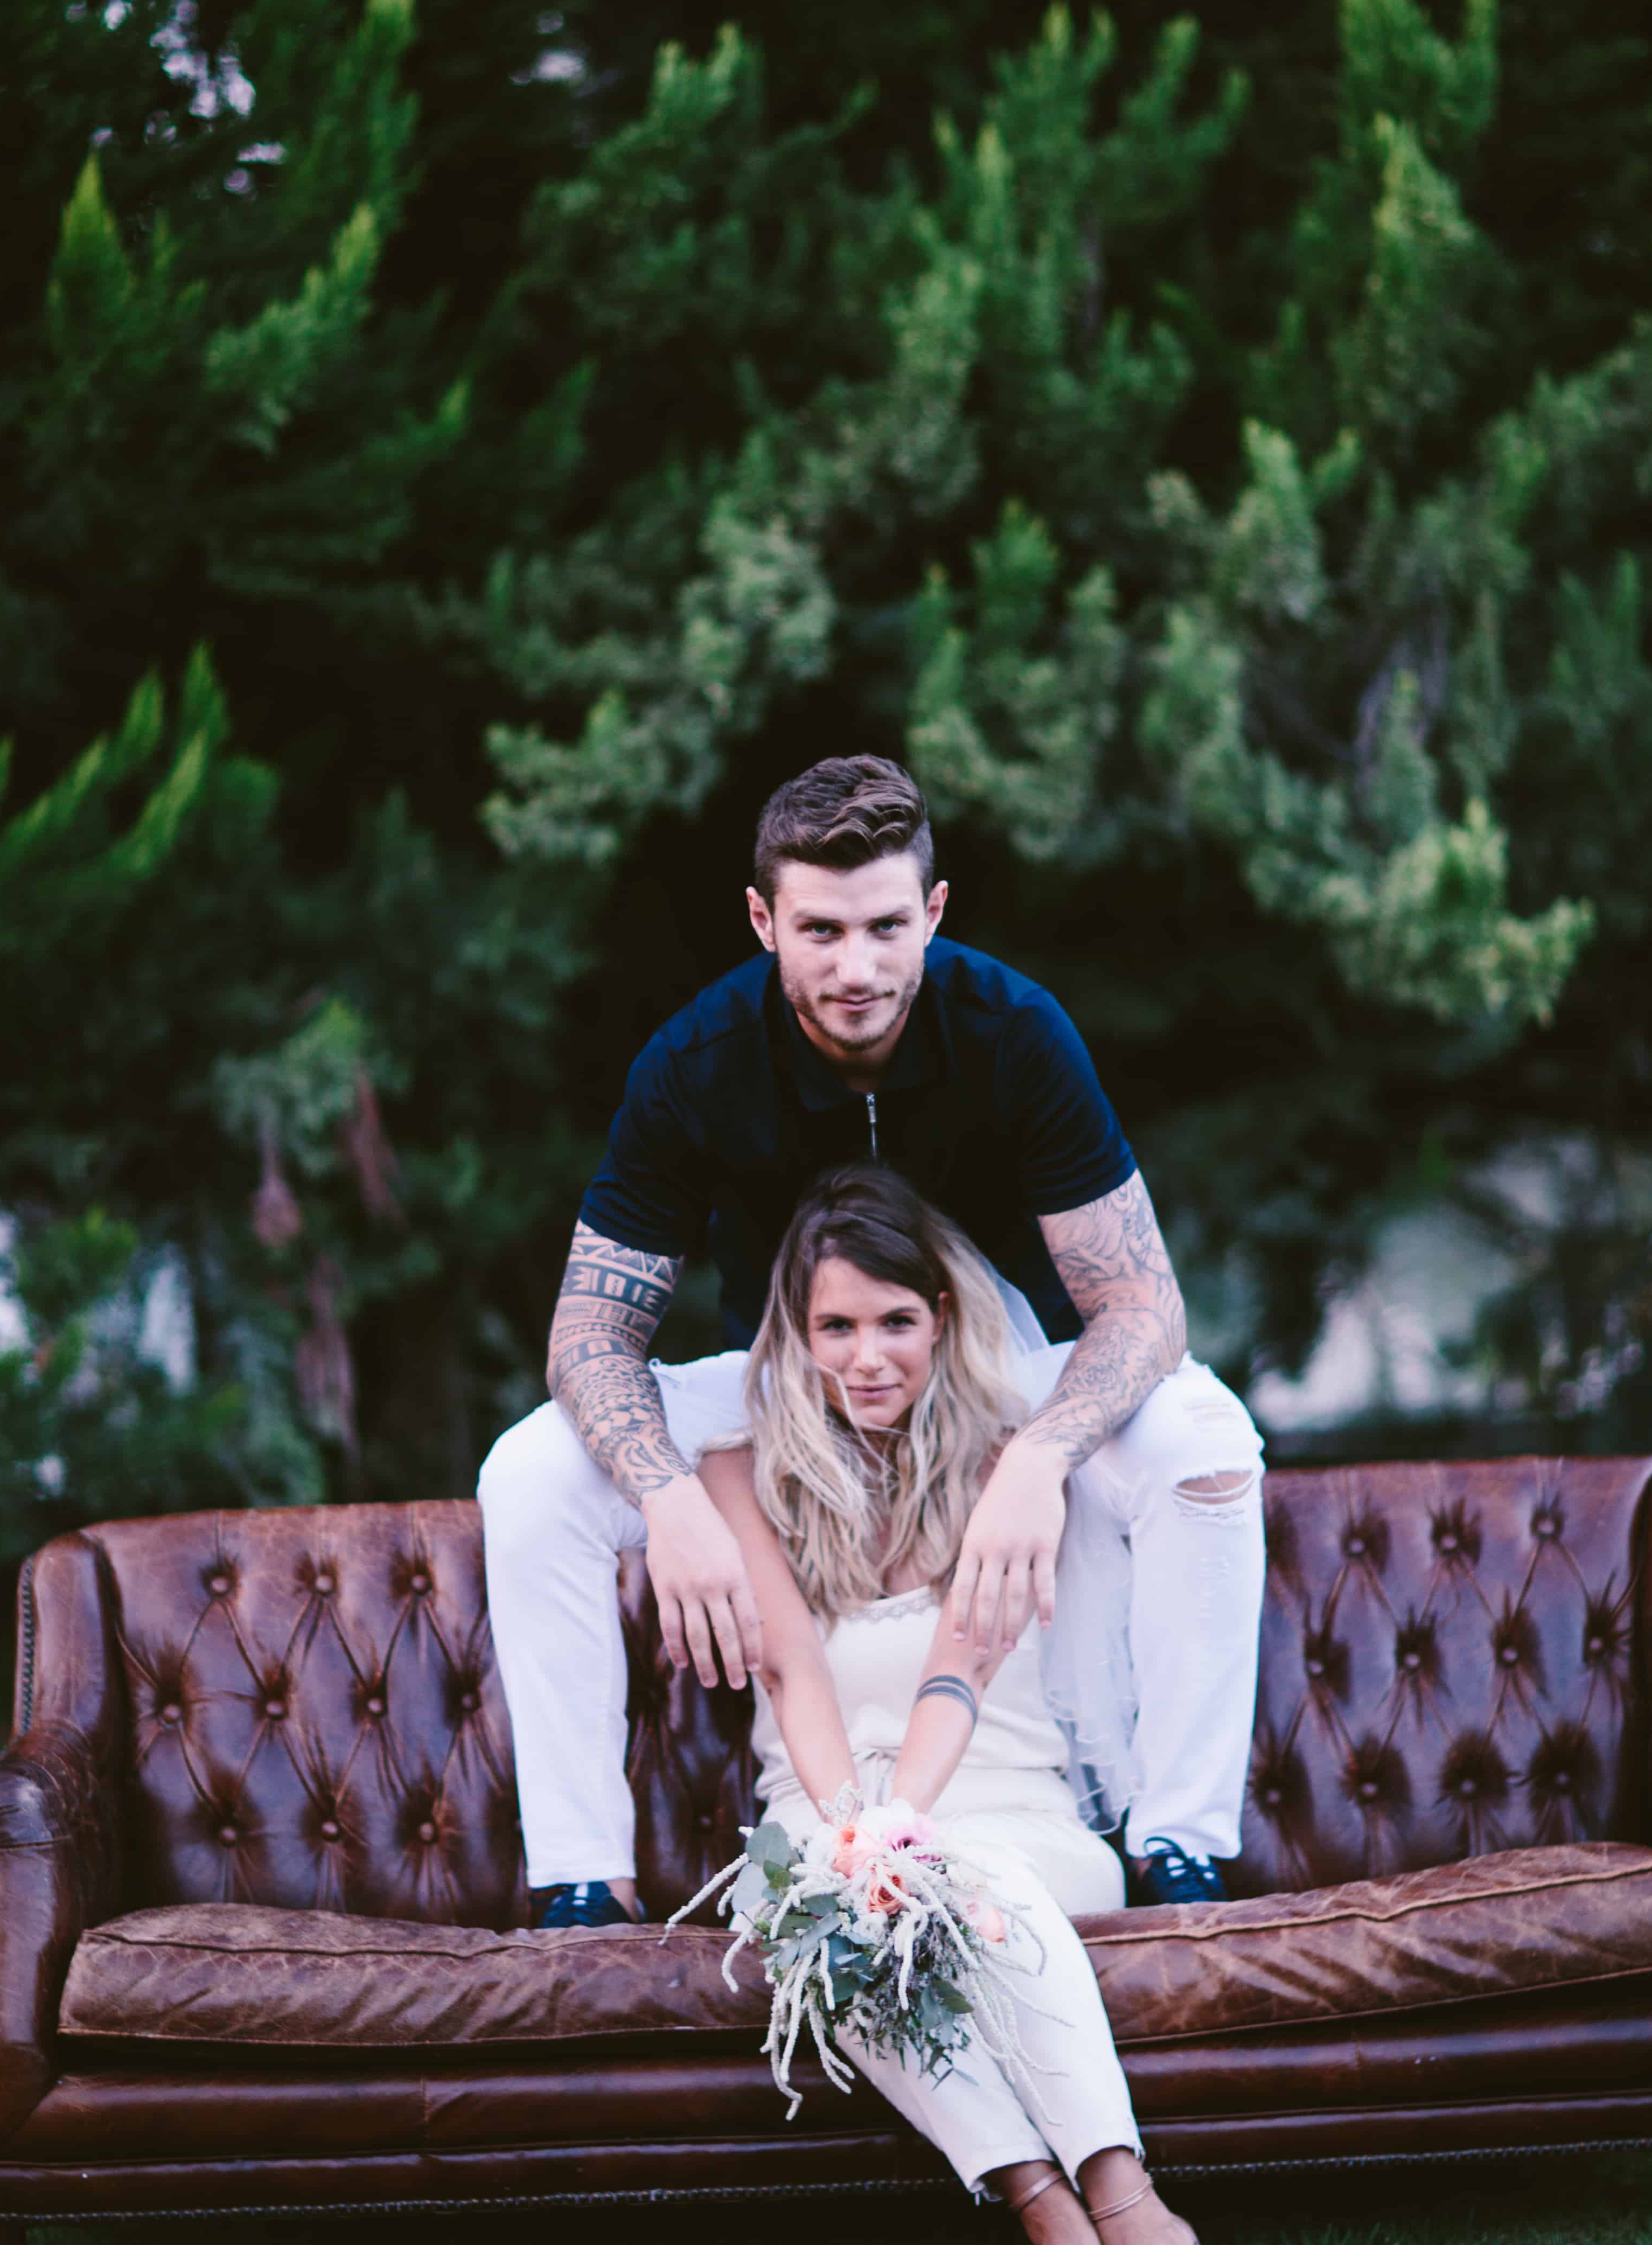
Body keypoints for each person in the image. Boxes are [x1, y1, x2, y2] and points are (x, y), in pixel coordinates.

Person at [479, 752, 1265, 1929]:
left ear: (933, 912)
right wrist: (668, 1496)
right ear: (764, 922)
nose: (858, 968)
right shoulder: (694, 1063)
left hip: (998, 1377)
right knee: (532, 1469)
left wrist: (1040, 1456)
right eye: (821, 931)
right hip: (784, 1379)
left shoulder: (1016, 1031)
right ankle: (586, 1880)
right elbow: (589, 1333)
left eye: (888, 927)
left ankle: (1179, 1846)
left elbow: (1144, 1306)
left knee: (1204, 1435)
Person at [696, 1162, 1237, 2245]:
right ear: (795, 1334)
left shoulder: (1010, 1462)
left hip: (1012, 1813)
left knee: (967, 1877)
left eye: (896, 1321)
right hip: (820, 1811)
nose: (868, 1357)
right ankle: (1054, 2217)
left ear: (941, 1319)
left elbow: (961, 1670)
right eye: (836, 1327)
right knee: (817, 1921)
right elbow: (790, 1669)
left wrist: (906, 1835)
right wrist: (859, 1840)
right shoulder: (738, 1473)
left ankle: (1127, 2200)